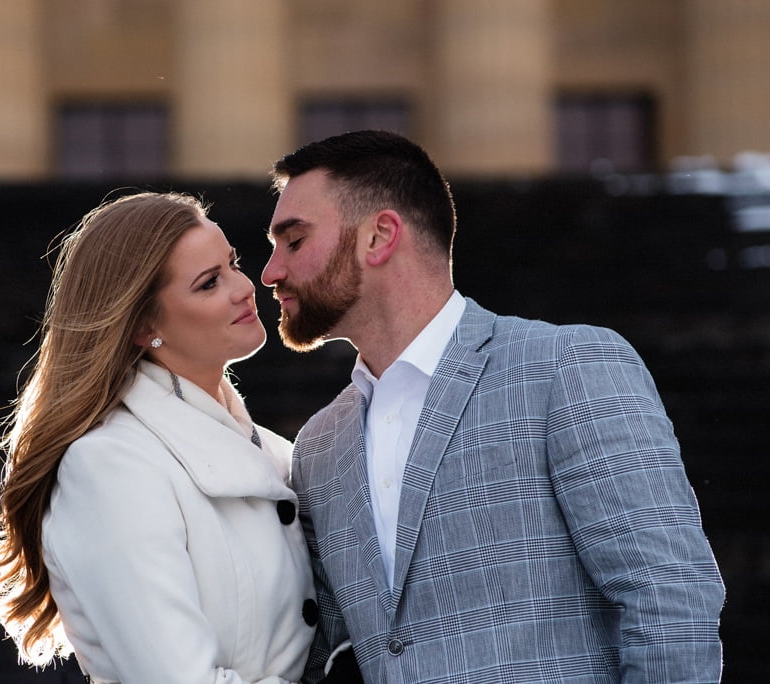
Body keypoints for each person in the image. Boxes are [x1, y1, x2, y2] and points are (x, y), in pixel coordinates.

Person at [260, 130, 725, 683]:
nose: (270, 272)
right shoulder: (319, 443)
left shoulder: (566, 368)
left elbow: (671, 601)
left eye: (293, 241)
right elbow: (323, 651)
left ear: (379, 236)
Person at [0, 191, 319, 683]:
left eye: (234, 264)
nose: (245, 287)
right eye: (209, 283)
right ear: (142, 325)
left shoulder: (274, 450)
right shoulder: (110, 466)